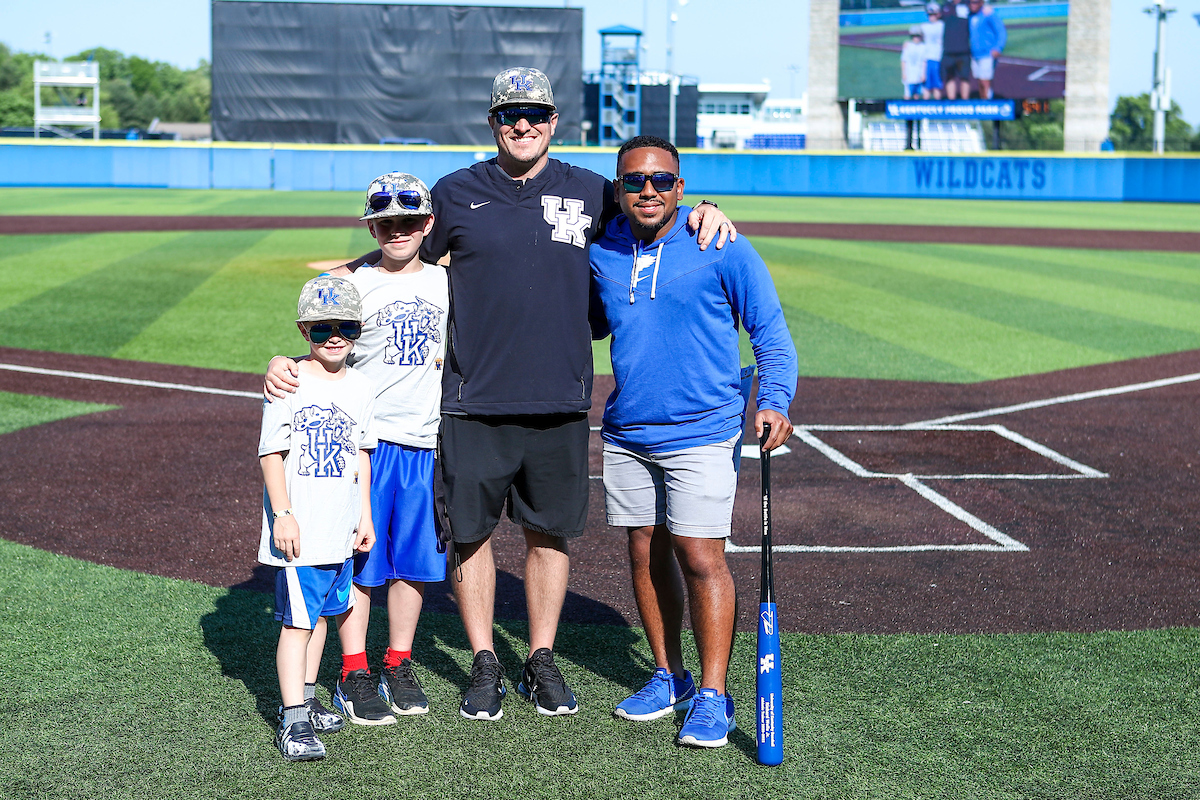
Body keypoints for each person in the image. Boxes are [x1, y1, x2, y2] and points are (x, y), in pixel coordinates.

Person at [419, 67, 736, 721]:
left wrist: (708, 208)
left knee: (548, 534)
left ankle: (540, 657)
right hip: (472, 399)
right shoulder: (453, 193)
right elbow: (400, 262)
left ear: (554, 120)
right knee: (471, 537)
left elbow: (658, 214)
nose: (523, 124)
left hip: (561, 399)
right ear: (493, 123)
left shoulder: (591, 191)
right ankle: (483, 663)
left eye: (535, 112)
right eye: (510, 114)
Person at [589, 135, 798, 748]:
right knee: (644, 553)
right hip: (628, 431)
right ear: (620, 190)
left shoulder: (721, 245)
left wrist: (775, 401)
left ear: (681, 188)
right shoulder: (603, 251)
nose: (647, 191)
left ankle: (713, 694)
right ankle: (668, 674)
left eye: (661, 180)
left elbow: (771, 333)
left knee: (701, 555)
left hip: (703, 430)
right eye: (634, 181)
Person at [265, 173, 448, 726]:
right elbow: (317, 334)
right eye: (384, 221)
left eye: (409, 220)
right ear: (370, 225)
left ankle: (399, 659)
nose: (397, 229)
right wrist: (281, 363)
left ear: (428, 223)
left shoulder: (448, 281)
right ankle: (353, 670)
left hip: (425, 438)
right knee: (363, 564)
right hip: (366, 442)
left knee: (413, 563)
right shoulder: (350, 282)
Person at [260, 275, 377, 761]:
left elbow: (362, 455)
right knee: (297, 626)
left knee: (325, 615)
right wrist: (283, 516)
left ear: (358, 328)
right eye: (321, 326)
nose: (334, 336)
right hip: (300, 533)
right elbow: (271, 453)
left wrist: (364, 515)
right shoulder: (288, 382)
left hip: (339, 529)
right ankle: (292, 721)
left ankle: (306, 702)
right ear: (303, 329)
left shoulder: (362, 386)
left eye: (345, 326)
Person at [968, 0, 1006, 100]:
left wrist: (998, 47)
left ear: (981, 3)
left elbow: (1001, 31)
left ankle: (988, 103)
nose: (973, 5)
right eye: (971, 2)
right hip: (974, 54)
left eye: (975, 2)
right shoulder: (970, 15)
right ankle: (983, 101)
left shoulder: (989, 14)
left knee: (985, 80)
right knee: (979, 80)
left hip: (987, 53)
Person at [941, 1, 972, 100]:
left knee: (965, 77)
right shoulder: (945, 6)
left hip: (963, 50)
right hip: (948, 50)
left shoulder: (967, 4)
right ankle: (951, 102)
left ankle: (965, 102)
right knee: (949, 77)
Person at [921, 2, 946, 100]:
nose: (932, 17)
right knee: (926, 87)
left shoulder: (942, 25)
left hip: (938, 58)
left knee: (937, 86)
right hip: (927, 59)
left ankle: (937, 108)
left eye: (934, 14)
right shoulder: (924, 26)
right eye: (930, 14)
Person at [901, 27, 927, 101]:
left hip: (919, 74)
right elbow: (903, 60)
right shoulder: (908, 46)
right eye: (914, 36)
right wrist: (903, 73)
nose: (916, 38)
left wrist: (923, 74)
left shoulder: (923, 46)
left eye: (918, 36)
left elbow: (924, 61)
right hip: (909, 74)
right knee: (907, 94)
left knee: (917, 94)